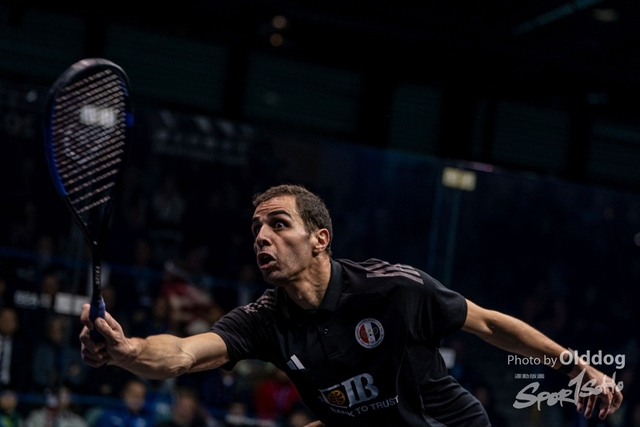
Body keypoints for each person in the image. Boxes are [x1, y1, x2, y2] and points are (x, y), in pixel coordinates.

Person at [80, 184, 624, 426]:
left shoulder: (392, 289)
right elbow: (180, 354)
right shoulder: (265, 320)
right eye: (256, 229)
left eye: (278, 224)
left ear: (320, 239)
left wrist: (579, 369)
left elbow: (488, 324)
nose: (262, 237)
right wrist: (127, 350)